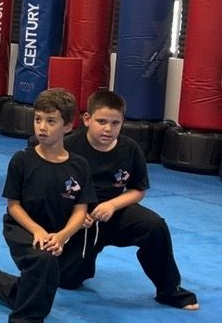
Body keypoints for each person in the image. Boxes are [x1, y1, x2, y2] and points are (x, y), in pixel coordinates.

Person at [0, 88, 95, 323]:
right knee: (44, 262)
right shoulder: (22, 160)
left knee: (36, 284)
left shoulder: (79, 165)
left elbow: (80, 210)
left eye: (51, 121)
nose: (42, 127)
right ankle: (24, 322)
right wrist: (37, 231)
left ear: (68, 126)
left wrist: (62, 236)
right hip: (22, 227)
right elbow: (13, 205)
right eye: (38, 119)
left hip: (58, 232)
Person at [60, 90, 199, 310]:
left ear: (122, 122)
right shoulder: (68, 147)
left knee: (154, 226)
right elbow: (54, 190)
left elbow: (138, 190)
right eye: (102, 121)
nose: (108, 128)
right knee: (68, 280)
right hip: (78, 217)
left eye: (115, 123)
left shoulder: (130, 149)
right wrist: (75, 213)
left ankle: (169, 290)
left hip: (113, 212)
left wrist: (113, 205)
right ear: (87, 119)